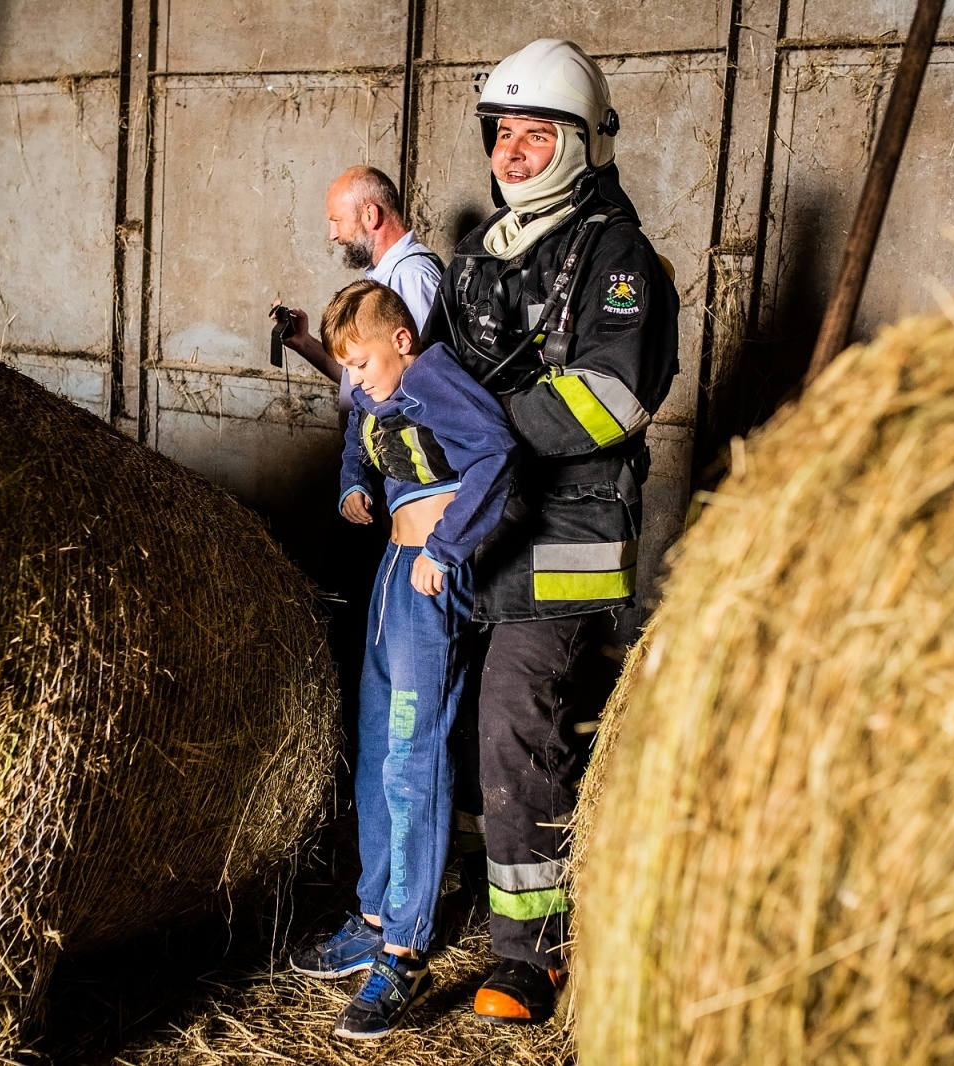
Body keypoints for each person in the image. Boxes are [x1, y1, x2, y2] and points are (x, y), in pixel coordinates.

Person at [417, 38, 681, 1024]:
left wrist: (483, 436)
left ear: (583, 141)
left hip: (562, 539)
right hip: (478, 529)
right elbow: (427, 388)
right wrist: (409, 477)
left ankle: (536, 950)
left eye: (536, 134)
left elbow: (613, 396)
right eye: (503, 133)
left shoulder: (617, 256)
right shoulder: (478, 260)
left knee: (516, 715)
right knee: (462, 727)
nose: (513, 151)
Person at [287, 280, 515, 1041]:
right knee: (379, 747)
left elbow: (495, 450)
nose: (354, 379)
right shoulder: (379, 389)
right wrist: (355, 480)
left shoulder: (433, 375)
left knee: (414, 759)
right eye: (345, 367)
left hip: (429, 577)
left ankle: (405, 950)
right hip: (392, 572)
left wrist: (448, 549)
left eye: (362, 361)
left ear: (403, 341)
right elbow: (360, 429)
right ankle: (374, 911)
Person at [273, 166, 443, 412]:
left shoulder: (410, 278)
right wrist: (303, 342)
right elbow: (362, 378)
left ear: (370, 215)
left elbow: (425, 388)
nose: (332, 235)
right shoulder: (390, 276)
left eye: (337, 221)